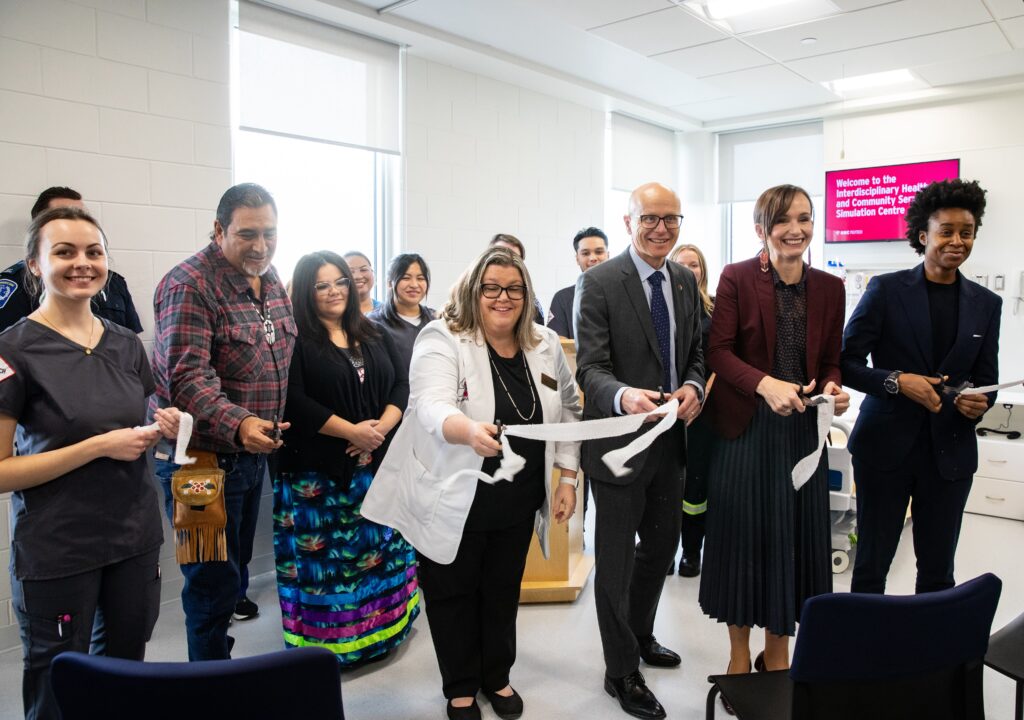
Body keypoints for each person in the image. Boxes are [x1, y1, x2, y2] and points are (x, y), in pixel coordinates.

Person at [368, 246, 581, 720]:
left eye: (514, 289)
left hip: (517, 497)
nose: (503, 298)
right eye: (492, 288)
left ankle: (497, 676)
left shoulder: (544, 343)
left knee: (503, 591)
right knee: (452, 593)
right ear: (474, 290)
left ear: (527, 294)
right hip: (454, 495)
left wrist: (567, 475)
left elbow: (569, 409)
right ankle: (461, 686)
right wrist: (466, 430)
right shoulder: (442, 337)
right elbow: (430, 404)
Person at [0, 207, 180, 720]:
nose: (83, 263)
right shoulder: (13, 352)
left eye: (93, 252)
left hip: (134, 535)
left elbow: (136, 416)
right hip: (59, 547)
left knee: (125, 672)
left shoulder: (124, 343)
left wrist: (160, 423)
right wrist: (99, 446)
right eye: (64, 252)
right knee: (59, 680)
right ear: (34, 265)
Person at [698, 185, 849, 710]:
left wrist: (831, 387)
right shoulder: (738, 277)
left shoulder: (830, 287)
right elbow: (716, 352)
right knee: (744, 543)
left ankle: (777, 656)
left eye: (805, 218)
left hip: (803, 438)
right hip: (746, 433)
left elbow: (832, 360)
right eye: (782, 220)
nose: (796, 229)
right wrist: (764, 384)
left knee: (792, 544)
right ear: (762, 227)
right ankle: (740, 658)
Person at [574, 182, 705, 720]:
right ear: (629, 222)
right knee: (616, 562)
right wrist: (624, 396)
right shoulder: (600, 282)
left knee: (659, 549)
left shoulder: (682, 281)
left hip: (671, 442)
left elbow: (696, 352)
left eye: (671, 219)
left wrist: (694, 388)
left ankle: (642, 634)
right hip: (618, 446)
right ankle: (620, 670)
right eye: (650, 218)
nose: (661, 228)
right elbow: (590, 368)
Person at [150, 183, 295, 661]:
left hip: (252, 457)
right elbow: (185, 378)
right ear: (218, 230)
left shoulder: (269, 280)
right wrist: (241, 423)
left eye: (269, 234)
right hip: (202, 461)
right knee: (211, 587)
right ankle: (208, 688)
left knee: (234, 575)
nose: (260, 246)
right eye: (246, 234)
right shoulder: (189, 284)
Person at [841, 179, 1000, 596]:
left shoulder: (986, 304)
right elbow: (847, 364)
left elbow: (988, 379)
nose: (957, 241)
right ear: (923, 235)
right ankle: (864, 654)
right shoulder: (886, 290)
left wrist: (979, 403)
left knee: (938, 572)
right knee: (872, 565)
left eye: (966, 232)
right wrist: (896, 381)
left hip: (949, 454)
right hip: (884, 450)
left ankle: (927, 659)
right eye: (946, 230)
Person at [274, 250, 419, 667]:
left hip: (376, 466)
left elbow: (402, 384)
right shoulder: (295, 340)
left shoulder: (372, 332)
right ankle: (335, 649)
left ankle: (385, 632)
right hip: (319, 477)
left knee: (380, 555)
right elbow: (294, 402)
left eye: (339, 281)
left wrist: (380, 429)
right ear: (305, 291)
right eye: (322, 285)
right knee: (332, 568)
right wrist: (352, 431)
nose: (334, 291)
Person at [0, 186, 143, 334]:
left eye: (81, 215)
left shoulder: (114, 282)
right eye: (62, 216)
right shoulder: (15, 285)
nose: (75, 222)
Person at [667, 243, 715, 577]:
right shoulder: (661, 306)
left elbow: (722, 358)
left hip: (702, 412)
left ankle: (692, 551)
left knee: (695, 487)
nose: (689, 270)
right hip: (665, 410)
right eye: (682, 264)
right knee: (664, 484)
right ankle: (662, 551)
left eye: (694, 264)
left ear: (702, 270)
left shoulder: (716, 311)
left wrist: (701, 394)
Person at [368, 252, 436, 370]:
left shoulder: (436, 319)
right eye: (405, 278)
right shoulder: (373, 323)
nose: (414, 285)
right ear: (390, 283)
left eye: (420, 278)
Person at [547, 226, 609, 340]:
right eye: (585, 253)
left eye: (599, 252)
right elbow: (558, 345)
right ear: (577, 259)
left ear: (608, 255)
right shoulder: (562, 298)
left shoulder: (624, 294)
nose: (593, 258)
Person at [489, 234, 545, 324]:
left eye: (515, 258)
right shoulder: (470, 293)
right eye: (500, 256)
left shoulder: (531, 302)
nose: (507, 262)